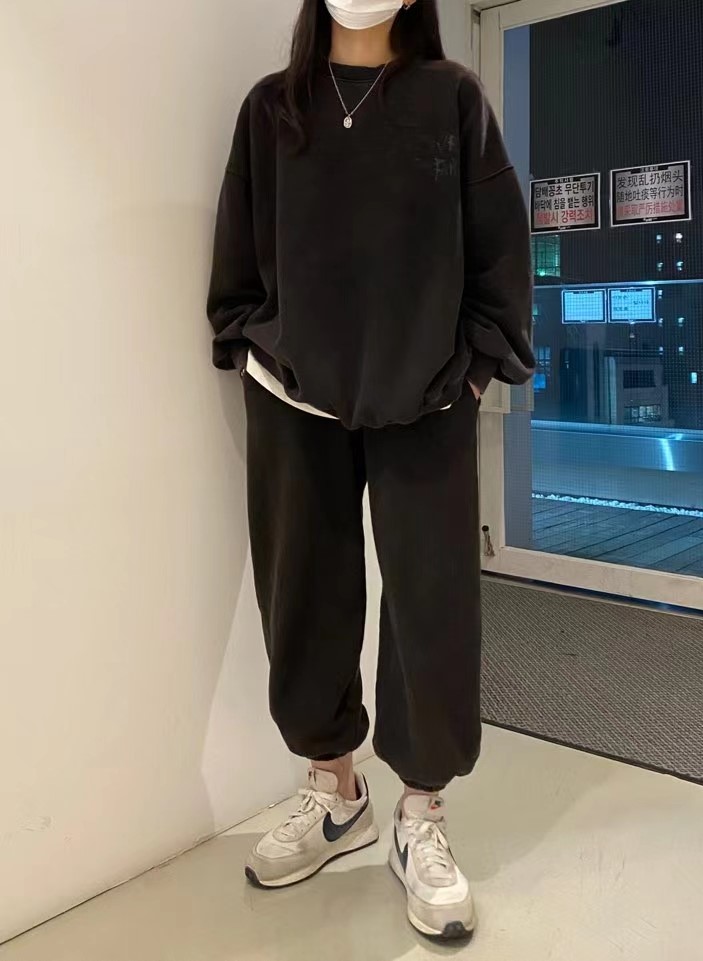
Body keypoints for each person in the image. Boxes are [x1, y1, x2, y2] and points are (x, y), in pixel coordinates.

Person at [207, 0, 534, 941]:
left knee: (432, 600)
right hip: (292, 396)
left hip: (426, 396)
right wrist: (253, 350)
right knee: (302, 593)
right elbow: (238, 258)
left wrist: (471, 373)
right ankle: (334, 790)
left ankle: (420, 811)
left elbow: (499, 252)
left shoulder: (448, 99)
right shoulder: (272, 109)